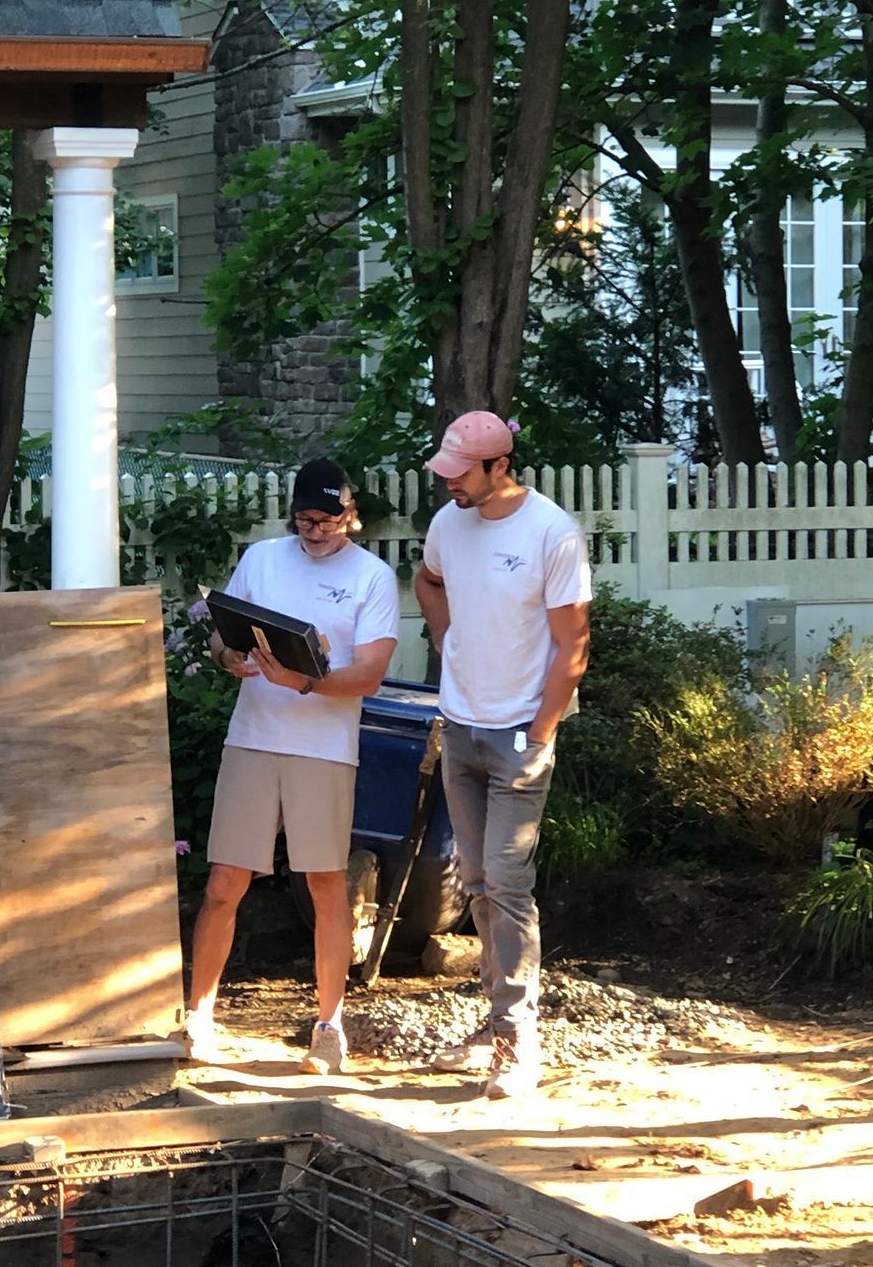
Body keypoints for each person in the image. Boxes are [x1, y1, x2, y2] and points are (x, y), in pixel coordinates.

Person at [186, 460, 400, 1074]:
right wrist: (231, 657)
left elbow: (371, 674)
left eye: (329, 519)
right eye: (306, 518)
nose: (316, 530)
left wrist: (304, 681)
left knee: (326, 885)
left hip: (325, 749)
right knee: (225, 881)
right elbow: (222, 638)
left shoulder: (372, 576)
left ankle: (329, 1025)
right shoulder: (261, 558)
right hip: (252, 737)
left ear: (351, 515)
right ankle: (200, 1014)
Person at [414, 412, 592, 1100]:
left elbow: (573, 647)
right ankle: (496, 1024)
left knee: (508, 888)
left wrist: (541, 731)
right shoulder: (448, 526)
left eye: (461, 471)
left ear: (499, 465)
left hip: (520, 732)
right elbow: (430, 582)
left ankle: (520, 1043)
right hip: (458, 726)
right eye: (447, 469)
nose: (449, 481)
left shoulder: (551, 533)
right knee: (479, 881)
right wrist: (449, 641)